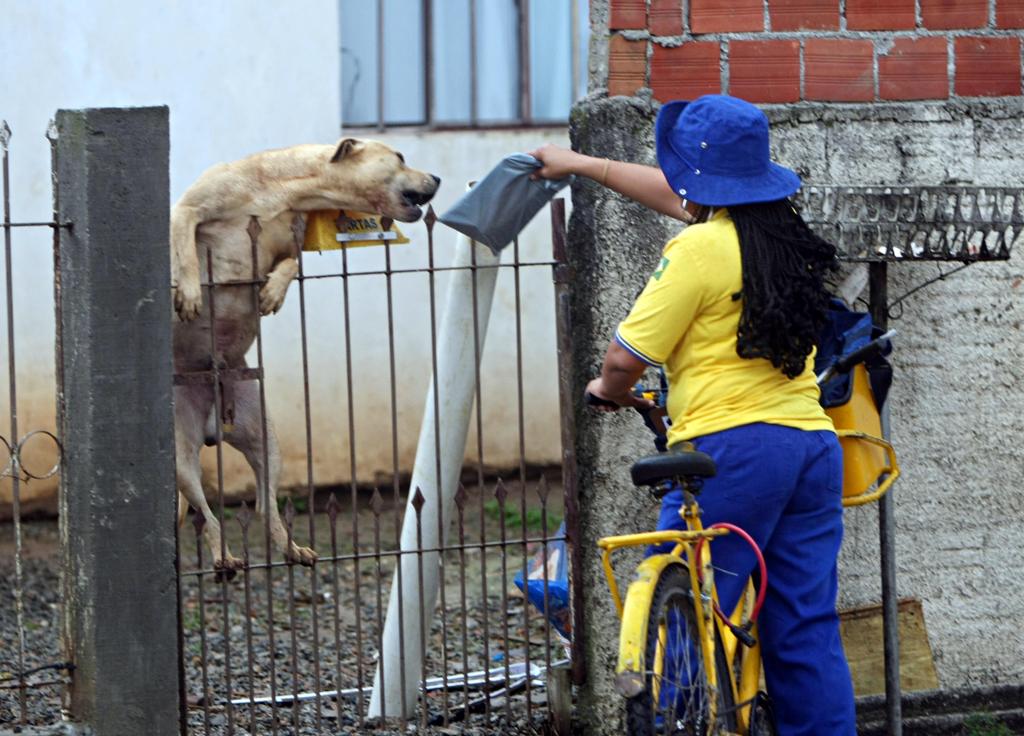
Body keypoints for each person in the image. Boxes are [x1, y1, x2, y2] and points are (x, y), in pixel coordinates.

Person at [530, 94, 855, 735]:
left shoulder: (697, 249)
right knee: (805, 626)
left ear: (694, 176)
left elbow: (624, 360)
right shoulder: (786, 234)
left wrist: (607, 388)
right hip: (813, 449)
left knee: (692, 610)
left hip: (732, 455)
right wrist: (584, 164)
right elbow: (683, 199)